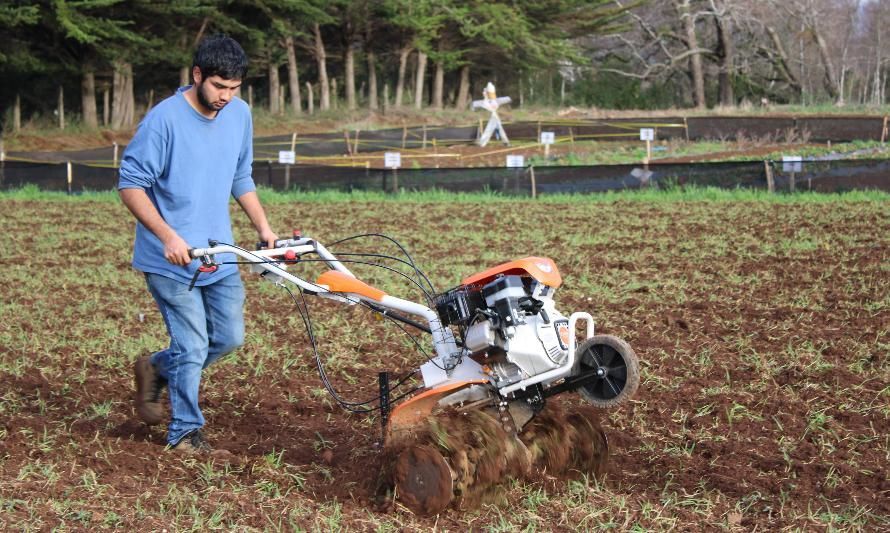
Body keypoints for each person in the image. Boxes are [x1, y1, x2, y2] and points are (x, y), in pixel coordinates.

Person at [118, 34, 277, 454]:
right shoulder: (164, 120)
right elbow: (131, 184)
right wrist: (169, 235)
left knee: (228, 339)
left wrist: (263, 227)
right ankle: (185, 433)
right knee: (192, 347)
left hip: (219, 254)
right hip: (169, 260)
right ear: (197, 75)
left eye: (234, 88)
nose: (225, 96)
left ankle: (156, 368)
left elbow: (240, 176)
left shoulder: (240, 114)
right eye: (218, 87)